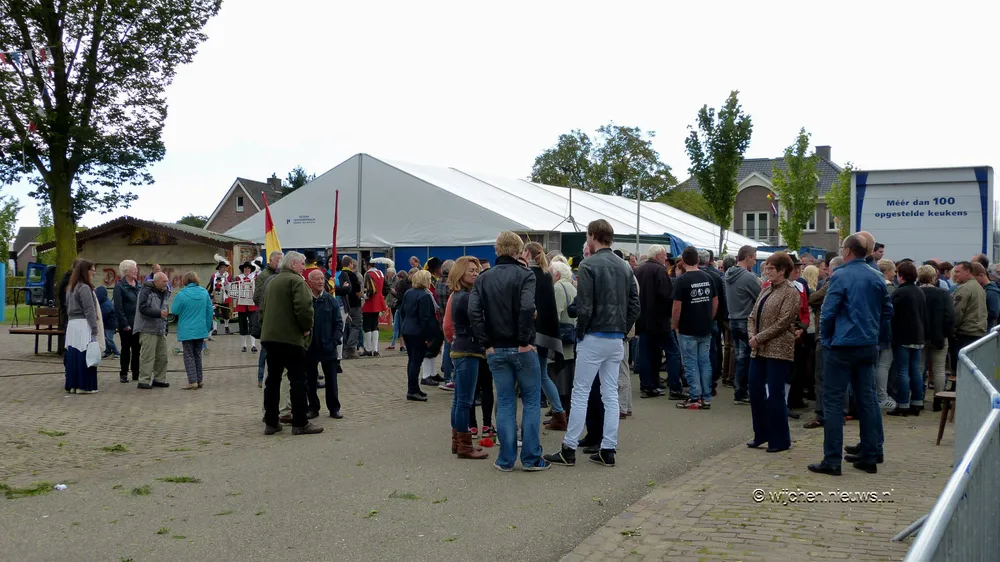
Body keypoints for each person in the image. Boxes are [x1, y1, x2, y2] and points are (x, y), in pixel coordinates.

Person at [545, 220, 639, 468]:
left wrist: (582, 332)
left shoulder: (588, 265)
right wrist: (622, 329)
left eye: (587, 235)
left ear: (593, 236)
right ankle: (608, 448)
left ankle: (569, 448)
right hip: (615, 337)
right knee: (610, 394)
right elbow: (634, 305)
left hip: (594, 335)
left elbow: (585, 305)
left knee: (581, 392)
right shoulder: (624, 266)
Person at [808, 234, 892, 476]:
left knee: (834, 402)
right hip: (867, 345)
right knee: (867, 398)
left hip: (842, 345)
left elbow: (828, 312)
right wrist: (873, 331)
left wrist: (827, 339)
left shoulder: (841, 275)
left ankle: (832, 460)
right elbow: (887, 311)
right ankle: (870, 455)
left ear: (847, 251)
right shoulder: (876, 275)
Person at [470, 231, 550, 472]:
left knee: (505, 402)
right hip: (521, 346)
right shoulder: (526, 275)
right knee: (531, 401)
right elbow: (526, 307)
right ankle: (531, 458)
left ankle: (505, 459)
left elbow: (474, 312)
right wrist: (525, 340)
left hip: (496, 348)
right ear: (519, 251)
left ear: (496, 250)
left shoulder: (483, 278)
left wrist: (486, 343)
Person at [259, 251, 322, 435]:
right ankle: (300, 423)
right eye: (302, 264)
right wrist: (306, 327)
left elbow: (262, 309)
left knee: (273, 380)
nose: (304, 267)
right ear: (293, 264)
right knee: (298, 380)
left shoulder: (272, 281)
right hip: (291, 338)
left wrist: (265, 329)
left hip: (270, 338)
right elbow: (304, 308)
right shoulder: (297, 281)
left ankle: (271, 422)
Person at [746, 252, 800, 452]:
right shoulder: (766, 289)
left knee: (775, 395)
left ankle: (780, 440)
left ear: (782, 270)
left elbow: (783, 322)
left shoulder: (790, 292)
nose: (767, 271)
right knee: (755, 391)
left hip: (778, 350)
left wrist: (758, 338)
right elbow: (752, 316)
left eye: (771, 268)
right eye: (766, 268)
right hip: (759, 349)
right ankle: (761, 434)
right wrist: (752, 335)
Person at [443, 256, 489, 459]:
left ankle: (458, 441)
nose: (475, 273)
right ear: (460, 273)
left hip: (461, 347)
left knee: (459, 399)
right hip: (468, 349)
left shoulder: (459, 295)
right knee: (464, 400)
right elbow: (479, 321)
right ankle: (464, 444)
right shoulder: (466, 297)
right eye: (471, 270)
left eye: (476, 270)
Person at [523, 242, 566, 429]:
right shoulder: (547, 275)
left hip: (528, 334)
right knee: (542, 375)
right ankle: (559, 413)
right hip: (544, 334)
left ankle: (554, 414)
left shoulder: (526, 274)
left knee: (530, 378)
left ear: (527, 253)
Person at [635, 244, 684, 400]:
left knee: (647, 353)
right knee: (673, 352)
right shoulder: (660, 270)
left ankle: (648, 385)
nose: (666, 258)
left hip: (643, 319)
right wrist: (671, 316)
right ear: (658, 256)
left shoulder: (639, 270)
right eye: (664, 255)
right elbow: (667, 296)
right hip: (659, 321)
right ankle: (675, 386)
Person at [673, 247, 718, 410]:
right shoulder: (708, 277)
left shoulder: (682, 281)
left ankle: (695, 396)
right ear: (698, 260)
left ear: (683, 261)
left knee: (690, 363)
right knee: (704, 362)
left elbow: (677, 307)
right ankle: (706, 397)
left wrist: (675, 325)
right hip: (705, 327)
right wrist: (709, 318)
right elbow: (715, 301)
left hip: (687, 328)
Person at [803, 256, 845, 429]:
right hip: (843, 336)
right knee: (840, 377)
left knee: (821, 376)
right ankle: (840, 412)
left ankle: (822, 414)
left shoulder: (832, 283)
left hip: (827, 335)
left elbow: (813, 299)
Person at [886, 261, 928, 417]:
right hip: (918, 335)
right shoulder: (919, 292)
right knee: (915, 370)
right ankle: (917, 401)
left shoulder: (899, 293)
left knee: (902, 371)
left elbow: (891, 314)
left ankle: (902, 404)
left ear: (901, 275)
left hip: (902, 335)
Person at [725, 245, 762, 405]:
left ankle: (739, 391)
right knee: (747, 358)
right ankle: (742, 392)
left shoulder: (728, 274)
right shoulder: (748, 277)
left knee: (740, 356)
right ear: (748, 258)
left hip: (733, 319)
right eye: (754, 258)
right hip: (746, 320)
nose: (755, 262)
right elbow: (761, 297)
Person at [305, 269, 344, 419]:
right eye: (317, 279)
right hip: (311, 346)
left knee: (331, 379)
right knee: (310, 380)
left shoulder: (330, 300)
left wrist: (334, 341)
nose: (321, 281)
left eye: (322, 278)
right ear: (310, 282)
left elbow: (338, 323)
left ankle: (334, 408)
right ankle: (313, 408)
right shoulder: (306, 300)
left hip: (328, 346)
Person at [918, 265, 955, 412]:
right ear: (934, 277)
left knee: (919, 368)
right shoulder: (943, 294)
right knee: (939, 369)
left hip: (920, 336)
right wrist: (947, 332)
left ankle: (918, 398)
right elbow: (950, 316)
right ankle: (938, 401)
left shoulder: (916, 292)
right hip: (939, 336)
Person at [64, 260, 102, 394]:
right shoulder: (84, 288)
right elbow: (89, 310)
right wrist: (94, 328)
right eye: (92, 270)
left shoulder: (71, 287)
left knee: (74, 355)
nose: (94, 273)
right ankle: (84, 386)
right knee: (86, 354)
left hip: (72, 324)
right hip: (83, 324)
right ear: (86, 271)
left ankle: (73, 385)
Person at [400, 270, 438, 401]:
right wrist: (429, 336)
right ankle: (412, 390)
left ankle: (414, 388)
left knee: (412, 360)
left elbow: (402, 311)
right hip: (418, 332)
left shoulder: (408, 293)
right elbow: (425, 318)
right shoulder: (425, 296)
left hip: (407, 329)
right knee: (416, 361)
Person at [172, 272, 213, 390]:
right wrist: (207, 327)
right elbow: (209, 311)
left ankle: (192, 381)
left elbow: (174, 310)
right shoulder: (204, 292)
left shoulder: (181, 294)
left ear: (185, 281)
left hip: (186, 330)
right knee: (197, 354)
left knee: (188, 355)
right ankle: (200, 380)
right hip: (200, 328)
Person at [135, 272, 171, 390]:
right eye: (164, 281)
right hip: (148, 329)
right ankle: (144, 380)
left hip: (160, 329)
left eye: (167, 281)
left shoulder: (165, 293)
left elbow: (165, 308)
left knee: (162, 356)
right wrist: (158, 313)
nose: (166, 284)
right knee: (147, 356)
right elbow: (142, 308)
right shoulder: (146, 291)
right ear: (156, 281)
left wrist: (165, 326)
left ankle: (159, 379)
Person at [698, 250, 727, 395]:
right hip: (713, 318)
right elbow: (721, 298)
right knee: (713, 349)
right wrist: (720, 316)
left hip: (699, 319)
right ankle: (713, 377)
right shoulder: (716, 276)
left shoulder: (694, 275)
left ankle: (702, 382)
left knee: (700, 351)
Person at [951, 261, 987, 374]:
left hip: (966, 333)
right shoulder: (979, 287)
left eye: (958, 272)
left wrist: (951, 328)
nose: (955, 274)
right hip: (978, 331)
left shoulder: (964, 289)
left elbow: (957, 312)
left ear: (967, 271)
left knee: (962, 368)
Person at [254, 251, 282, 388]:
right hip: (267, 318)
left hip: (279, 319)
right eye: (277, 261)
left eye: (281, 261)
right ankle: (260, 377)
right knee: (265, 350)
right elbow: (257, 297)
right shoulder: (263, 276)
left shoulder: (281, 275)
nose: (279, 264)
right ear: (270, 260)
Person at [113, 260, 142, 383]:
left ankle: (136, 373)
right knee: (126, 349)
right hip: (126, 324)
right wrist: (124, 324)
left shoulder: (139, 285)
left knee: (137, 349)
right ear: (126, 271)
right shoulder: (119, 287)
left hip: (138, 323)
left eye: (136, 268)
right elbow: (118, 307)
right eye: (134, 269)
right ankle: (123, 373)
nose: (136, 271)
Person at [231, 260, 261, 353]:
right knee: (242, 325)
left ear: (251, 270)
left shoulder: (255, 278)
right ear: (243, 269)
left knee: (253, 325)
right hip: (242, 306)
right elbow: (234, 290)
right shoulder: (238, 278)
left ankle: (253, 345)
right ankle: (244, 345)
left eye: (248, 268)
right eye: (245, 268)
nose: (247, 270)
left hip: (252, 306)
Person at [361, 260, 388, 358]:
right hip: (379, 301)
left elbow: (370, 290)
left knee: (367, 326)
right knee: (375, 325)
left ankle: (368, 349)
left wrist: (364, 296)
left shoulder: (368, 274)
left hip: (370, 302)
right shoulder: (380, 273)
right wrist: (381, 296)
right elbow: (386, 287)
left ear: (367, 265)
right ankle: (375, 350)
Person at [339, 256, 364, 359]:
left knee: (344, 327)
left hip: (344, 304)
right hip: (354, 305)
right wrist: (361, 295)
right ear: (350, 264)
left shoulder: (340, 275)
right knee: (356, 326)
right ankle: (351, 348)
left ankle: (343, 349)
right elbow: (358, 291)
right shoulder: (353, 275)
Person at [207, 256, 231, 335]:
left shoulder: (229, 276)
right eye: (221, 267)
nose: (223, 269)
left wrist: (228, 285)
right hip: (215, 298)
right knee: (215, 314)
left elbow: (232, 287)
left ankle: (226, 326)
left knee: (226, 314)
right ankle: (215, 329)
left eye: (224, 267)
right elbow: (210, 287)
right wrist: (209, 296)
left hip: (225, 298)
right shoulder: (214, 276)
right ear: (219, 268)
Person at [972, 263, 1000, 329]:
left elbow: (994, 313)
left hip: (986, 329)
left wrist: (974, 316)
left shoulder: (991, 292)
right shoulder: (984, 289)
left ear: (981, 275)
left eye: (973, 278)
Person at [95, 286, 119, 359]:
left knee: (109, 339)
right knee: (106, 338)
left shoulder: (106, 304)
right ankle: (108, 351)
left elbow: (103, 315)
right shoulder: (104, 302)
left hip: (110, 325)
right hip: (107, 324)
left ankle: (116, 352)